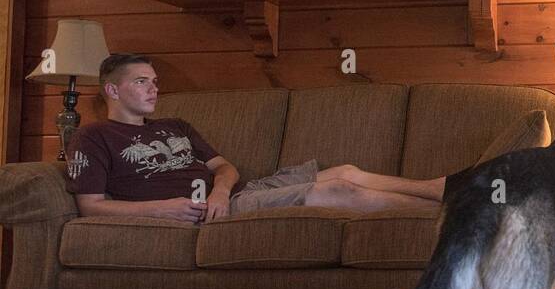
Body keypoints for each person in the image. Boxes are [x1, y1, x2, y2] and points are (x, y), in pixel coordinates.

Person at [65, 54, 446, 225]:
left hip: (236, 192)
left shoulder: (175, 125)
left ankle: (443, 190)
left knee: (346, 171)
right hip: (216, 212)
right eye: (141, 81)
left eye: (155, 80)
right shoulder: (93, 135)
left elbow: (224, 167)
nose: (153, 89)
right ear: (112, 91)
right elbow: (91, 207)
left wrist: (219, 189)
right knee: (341, 191)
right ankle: (455, 214)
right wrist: (164, 208)